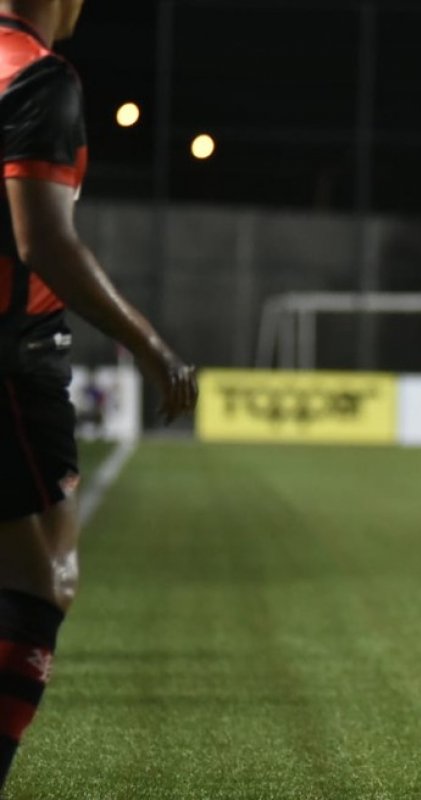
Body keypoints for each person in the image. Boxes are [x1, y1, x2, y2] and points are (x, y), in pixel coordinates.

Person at [0, 1, 198, 791]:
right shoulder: (37, 78)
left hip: (29, 358)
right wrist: (152, 347)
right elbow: (42, 240)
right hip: (8, 359)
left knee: (47, 568)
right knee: (39, 584)